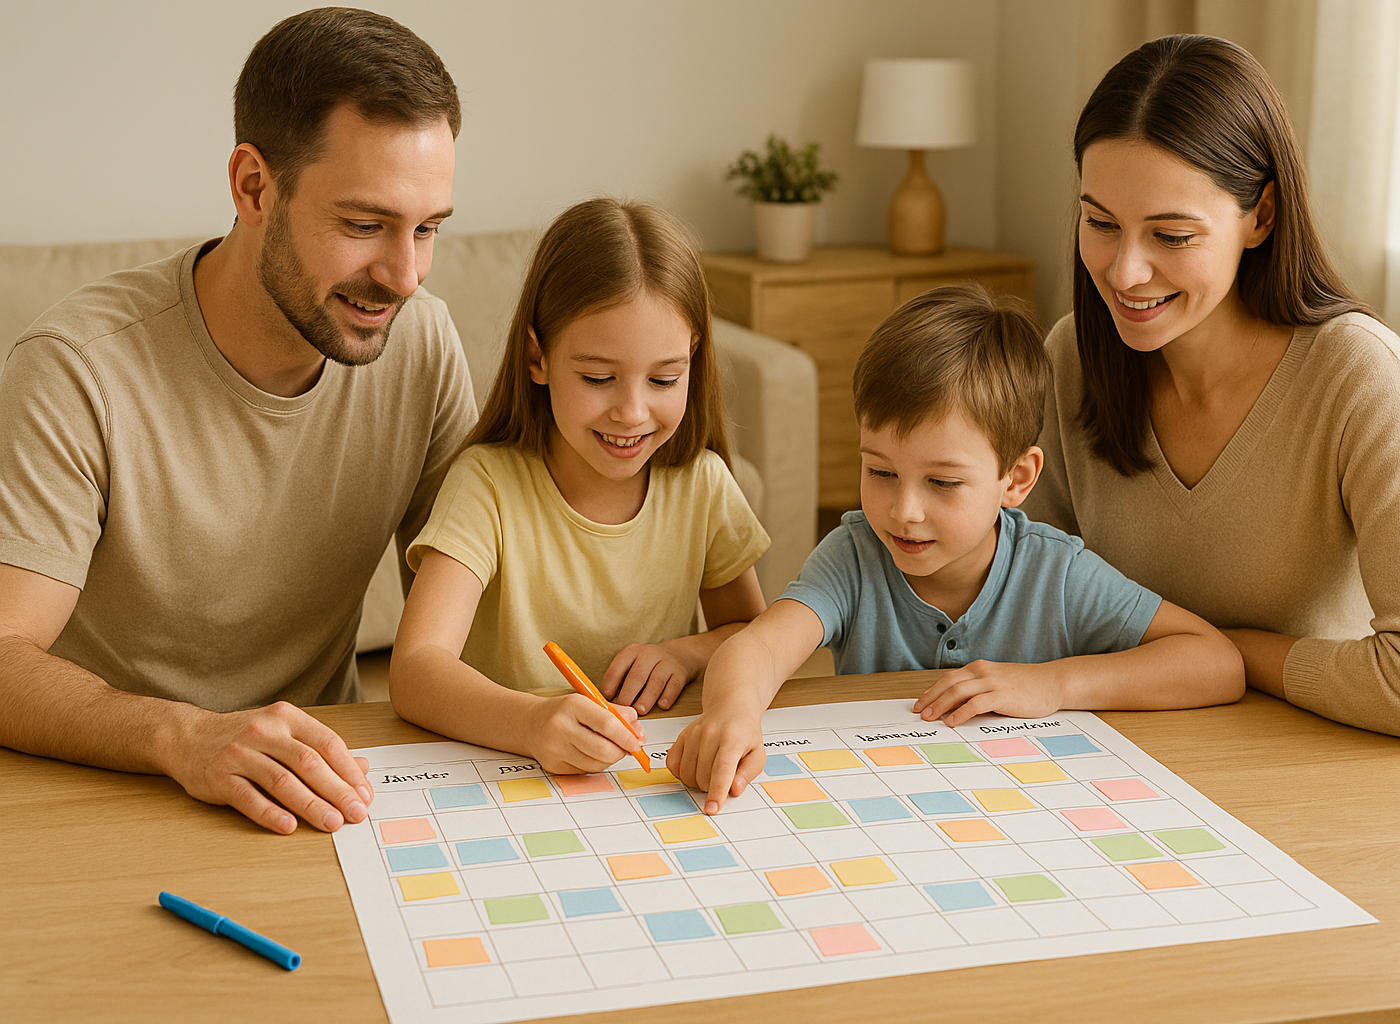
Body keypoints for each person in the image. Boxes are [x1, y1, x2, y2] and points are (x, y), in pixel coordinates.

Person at [0, 9, 477, 834]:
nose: (404, 275)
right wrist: (182, 736)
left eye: (427, 229)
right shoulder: (78, 366)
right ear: (253, 186)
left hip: (324, 792)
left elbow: (490, 585)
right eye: (364, 225)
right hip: (110, 790)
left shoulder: (421, 340)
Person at [1024, 34, 1400, 747]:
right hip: (1137, 761)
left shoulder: (1358, 376)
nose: (1124, 273)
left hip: (1333, 767)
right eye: (1100, 223)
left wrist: (1218, 656)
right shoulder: (1073, 358)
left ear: (1261, 217)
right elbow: (1029, 608)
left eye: (1172, 235)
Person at [668, 284, 1245, 812]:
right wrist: (732, 714)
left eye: (943, 483)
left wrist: (1056, 683)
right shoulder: (853, 558)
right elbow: (757, 650)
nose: (904, 511)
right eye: (881, 471)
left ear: (1016, 479)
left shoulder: (1056, 572)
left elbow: (1215, 664)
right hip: (879, 807)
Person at [389, 198, 770, 773]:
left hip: (645, 783)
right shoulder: (487, 484)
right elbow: (416, 669)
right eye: (598, 378)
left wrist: (687, 653)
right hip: (505, 778)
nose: (632, 412)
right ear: (537, 357)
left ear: (694, 359)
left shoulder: (702, 484)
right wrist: (531, 723)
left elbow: (752, 634)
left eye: (664, 378)